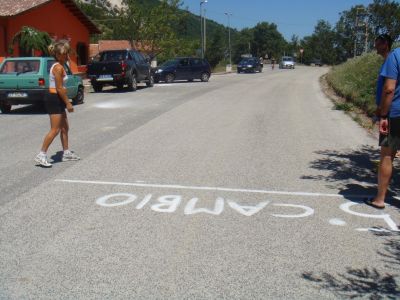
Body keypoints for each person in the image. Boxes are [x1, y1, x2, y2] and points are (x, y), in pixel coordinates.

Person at [365, 34, 400, 209]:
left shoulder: (395, 56)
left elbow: (389, 89)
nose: (375, 46)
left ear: (385, 44)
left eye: (377, 43)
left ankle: (379, 199)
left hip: (392, 115)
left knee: (386, 155)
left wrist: (381, 113)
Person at [35, 40, 80, 167]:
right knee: (55, 129)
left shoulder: (61, 65)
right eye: (64, 54)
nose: (67, 56)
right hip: (54, 98)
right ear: (58, 55)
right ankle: (41, 155)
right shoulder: (58, 67)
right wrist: (68, 103)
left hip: (58, 98)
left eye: (67, 53)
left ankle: (66, 153)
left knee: (65, 128)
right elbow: (59, 88)